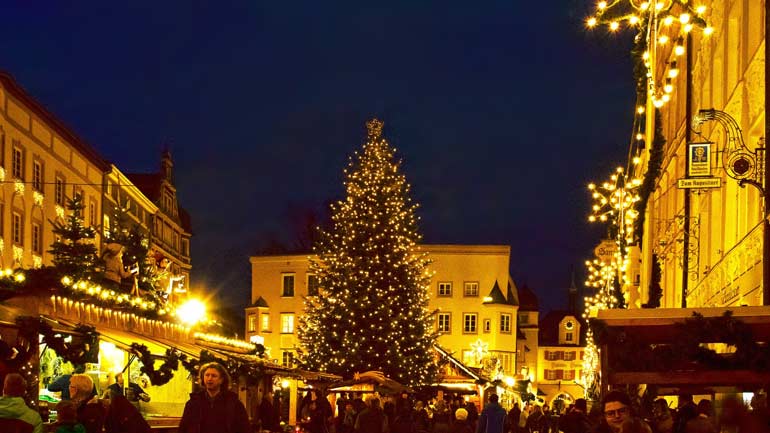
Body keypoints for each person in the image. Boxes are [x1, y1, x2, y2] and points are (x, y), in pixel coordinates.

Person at [178, 362, 250, 433]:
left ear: (221, 380)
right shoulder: (193, 403)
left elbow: (244, 428)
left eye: (214, 376)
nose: (209, 378)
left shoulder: (234, 404)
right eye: (207, 375)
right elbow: (184, 427)